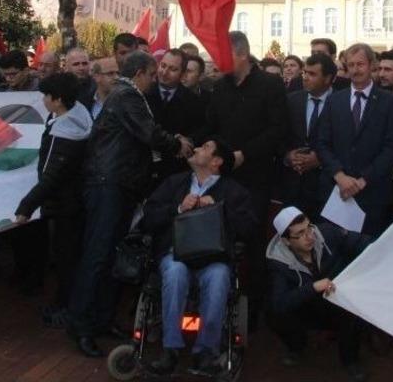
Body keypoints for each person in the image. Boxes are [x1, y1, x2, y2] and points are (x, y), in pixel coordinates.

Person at [67, 51, 192, 358]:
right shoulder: (127, 96)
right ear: (140, 73)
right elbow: (149, 134)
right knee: (98, 254)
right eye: (152, 74)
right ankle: (81, 325)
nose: (155, 79)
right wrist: (178, 144)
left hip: (120, 184)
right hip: (108, 184)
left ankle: (101, 319)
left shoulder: (125, 95)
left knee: (112, 255)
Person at [142, 139, 255, 376]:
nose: (195, 149)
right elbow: (149, 218)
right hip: (176, 254)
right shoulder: (175, 183)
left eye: (204, 148)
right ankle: (170, 348)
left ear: (216, 162)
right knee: (175, 273)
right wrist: (179, 209)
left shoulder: (234, 191)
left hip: (214, 257)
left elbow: (249, 229)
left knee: (218, 277)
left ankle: (205, 350)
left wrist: (221, 209)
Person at [204, 31, 287, 329]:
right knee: (219, 236)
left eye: (221, 54)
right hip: (222, 175)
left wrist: (245, 154)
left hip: (256, 176)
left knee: (252, 242)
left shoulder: (270, 85)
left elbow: (277, 130)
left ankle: (252, 309)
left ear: (241, 54)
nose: (216, 61)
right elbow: (211, 126)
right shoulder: (220, 87)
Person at [14, 73, 93, 326]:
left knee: (66, 258)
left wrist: (26, 206)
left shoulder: (63, 133)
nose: (44, 101)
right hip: (76, 200)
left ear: (57, 100)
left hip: (65, 204)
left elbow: (51, 177)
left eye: (46, 96)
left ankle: (66, 309)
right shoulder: (79, 114)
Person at [267, 208, 370, 382]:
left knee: (352, 308)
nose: (309, 236)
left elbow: (360, 242)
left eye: (309, 228)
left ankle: (350, 360)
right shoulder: (277, 263)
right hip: (306, 307)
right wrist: (313, 287)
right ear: (286, 241)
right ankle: (296, 346)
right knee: (273, 314)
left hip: (336, 300)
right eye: (300, 234)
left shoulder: (328, 233)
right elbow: (280, 302)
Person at [315, 43, 393, 236]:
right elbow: (322, 143)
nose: (355, 69)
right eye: (350, 65)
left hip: (372, 195)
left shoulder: (390, 102)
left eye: (360, 64)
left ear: (372, 66)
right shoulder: (334, 100)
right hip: (336, 193)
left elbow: (391, 148)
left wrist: (362, 181)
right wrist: (340, 176)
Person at [279, 52, 335, 220]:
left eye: (312, 74)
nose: (305, 78)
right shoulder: (292, 101)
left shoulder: (342, 102)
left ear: (328, 78)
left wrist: (320, 159)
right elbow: (280, 135)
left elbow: (345, 141)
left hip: (326, 186)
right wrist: (287, 156)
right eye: (304, 73)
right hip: (294, 184)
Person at [145, 49, 206, 188]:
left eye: (173, 69)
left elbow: (201, 129)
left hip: (175, 170)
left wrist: (188, 140)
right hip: (145, 168)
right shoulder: (144, 93)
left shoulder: (193, 101)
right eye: (163, 65)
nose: (164, 72)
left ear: (183, 74)